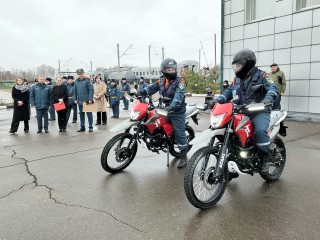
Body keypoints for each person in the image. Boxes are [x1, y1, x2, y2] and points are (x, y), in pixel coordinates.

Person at [207, 49, 279, 174]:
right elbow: (228, 92)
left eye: (239, 65)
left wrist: (267, 99)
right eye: (236, 66)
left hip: (258, 110)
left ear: (247, 64)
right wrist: (217, 100)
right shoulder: (237, 79)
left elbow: (273, 88)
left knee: (260, 131)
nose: (237, 68)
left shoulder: (262, 75)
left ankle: (265, 158)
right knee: (229, 130)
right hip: (241, 110)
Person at [138, 58, 188, 168]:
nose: (170, 71)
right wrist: (143, 91)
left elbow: (178, 96)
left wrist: (172, 106)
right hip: (162, 109)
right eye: (168, 69)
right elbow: (152, 88)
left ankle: (184, 155)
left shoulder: (180, 82)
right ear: (163, 70)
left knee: (179, 132)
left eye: (172, 69)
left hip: (176, 111)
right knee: (151, 121)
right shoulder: (161, 80)